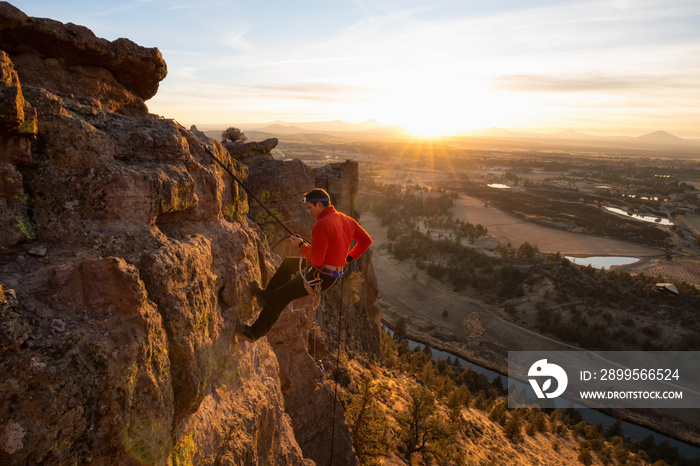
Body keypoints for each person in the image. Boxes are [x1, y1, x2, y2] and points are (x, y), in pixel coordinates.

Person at [236, 188, 372, 342]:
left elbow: (317, 260)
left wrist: (301, 245)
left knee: (280, 296)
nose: (309, 212)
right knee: (288, 264)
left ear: (319, 205)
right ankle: (265, 297)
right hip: (329, 273)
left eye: (310, 208)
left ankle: (253, 333)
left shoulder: (322, 224)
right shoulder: (346, 219)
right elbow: (366, 241)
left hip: (320, 275)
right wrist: (348, 258)